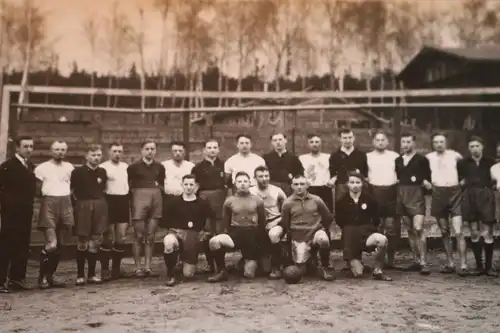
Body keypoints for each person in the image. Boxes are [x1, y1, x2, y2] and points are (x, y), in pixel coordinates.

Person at [206, 171, 266, 282]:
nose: (242, 184)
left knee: (249, 274)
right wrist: (225, 235)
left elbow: (262, 223)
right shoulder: (229, 201)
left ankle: (243, 262)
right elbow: (225, 222)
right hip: (236, 234)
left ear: (250, 183)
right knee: (214, 241)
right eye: (239, 181)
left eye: (245, 181)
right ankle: (221, 271)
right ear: (235, 183)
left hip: (251, 236)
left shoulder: (258, 200)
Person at [336, 171, 392, 281]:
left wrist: (369, 228)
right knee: (358, 274)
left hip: (366, 234)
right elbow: (339, 221)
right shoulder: (341, 201)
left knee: (382, 240)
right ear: (347, 184)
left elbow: (376, 219)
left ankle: (377, 269)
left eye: (358, 182)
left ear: (362, 184)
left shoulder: (370, 200)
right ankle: (356, 262)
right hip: (350, 237)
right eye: (352, 182)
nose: (355, 185)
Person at [34, 140, 75, 289]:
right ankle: (42, 277)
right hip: (49, 204)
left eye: (63, 150)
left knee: (61, 245)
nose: (60, 152)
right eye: (57, 149)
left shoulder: (69, 167)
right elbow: (38, 191)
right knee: (52, 244)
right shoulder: (42, 168)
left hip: (65, 204)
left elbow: (72, 188)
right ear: (51, 151)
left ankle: (51, 276)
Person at [162, 174, 215, 286]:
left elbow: (209, 219)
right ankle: (170, 274)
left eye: (191, 184)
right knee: (168, 242)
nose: (189, 187)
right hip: (177, 233)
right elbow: (166, 220)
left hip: (193, 238)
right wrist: (173, 231)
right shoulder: (174, 202)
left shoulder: (202, 203)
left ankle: (183, 262)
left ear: (196, 186)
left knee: (188, 274)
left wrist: (204, 233)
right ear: (182, 185)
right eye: (186, 184)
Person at [279, 174, 334, 281]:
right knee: (301, 270)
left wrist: (322, 229)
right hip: (299, 237)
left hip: (315, 233)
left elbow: (328, 217)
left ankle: (324, 266)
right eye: (296, 184)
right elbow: (285, 223)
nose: (299, 187)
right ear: (292, 186)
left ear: (307, 185)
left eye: (302, 184)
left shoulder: (316, 200)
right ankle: (311, 260)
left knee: (324, 240)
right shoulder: (287, 203)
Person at [426, 133, 467, 276]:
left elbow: (466, 170)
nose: (439, 144)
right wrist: (426, 182)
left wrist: (463, 181)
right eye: (436, 142)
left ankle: (463, 264)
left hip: (455, 193)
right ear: (432, 144)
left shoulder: (455, 155)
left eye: (441, 141)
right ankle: (450, 262)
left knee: (458, 230)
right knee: (444, 230)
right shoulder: (429, 158)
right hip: (438, 193)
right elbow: (423, 174)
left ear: (446, 142)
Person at [0, 136, 37, 293]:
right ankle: (1, 281)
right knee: (6, 246)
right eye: (25, 146)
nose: (28, 149)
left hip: (25, 212)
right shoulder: (7, 166)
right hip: (10, 213)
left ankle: (17, 278)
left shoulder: (30, 166)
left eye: (31, 146)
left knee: (22, 244)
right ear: (17, 148)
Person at [458, 136, 497, 276]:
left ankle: (489, 267)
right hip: (469, 197)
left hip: (486, 196)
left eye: (477, 146)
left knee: (488, 231)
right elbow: (460, 181)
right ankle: (479, 266)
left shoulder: (490, 162)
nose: (475, 149)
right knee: (474, 231)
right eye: (472, 146)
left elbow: (495, 179)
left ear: (482, 147)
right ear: (469, 149)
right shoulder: (463, 163)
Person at [127, 139, 166, 277]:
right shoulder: (133, 167)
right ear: (142, 150)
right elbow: (129, 186)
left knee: (150, 236)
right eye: (147, 149)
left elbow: (161, 185)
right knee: (138, 235)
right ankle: (138, 267)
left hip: (155, 199)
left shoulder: (160, 167)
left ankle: (148, 267)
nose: (150, 151)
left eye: (153, 149)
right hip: (139, 200)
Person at [71, 144, 108, 286]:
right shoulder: (78, 172)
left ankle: (92, 274)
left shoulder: (103, 172)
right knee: (82, 241)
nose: (96, 158)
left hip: (99, 205)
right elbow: (72, 191)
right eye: (93, 155)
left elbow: (103, 189)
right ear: (87, 156)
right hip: (83, 205)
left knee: (96, 241)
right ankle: (80, 275)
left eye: (98, 155)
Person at [395, 133, 431, 275]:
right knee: (409, 230)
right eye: (403, 142)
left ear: (414, 143)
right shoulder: (398, 160)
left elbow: (428, 180)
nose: (405, 144)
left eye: (408, 142)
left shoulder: (422, 159)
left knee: (418, 228)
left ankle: (424, 261)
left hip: (416, 195)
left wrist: (424, 184)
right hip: (402, 194)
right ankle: (416, 260)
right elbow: (398, 177)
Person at [191, 138, 227, 273]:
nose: (212, 150)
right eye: (209, 147)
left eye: (214, 147)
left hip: (220, 200)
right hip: (204, 200)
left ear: (218, 150)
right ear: (204, 150)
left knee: (219, 232)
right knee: (207, 232)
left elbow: (227, 184)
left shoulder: (224, 165)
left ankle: (220, 264)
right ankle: (210, 263)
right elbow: (195, 187)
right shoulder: (198, 168)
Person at [366, 130, 400, 268]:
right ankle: (378, 259)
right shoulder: (367, 157)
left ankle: (391, 259)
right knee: (377, 226)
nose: (380, 142)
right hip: (374, 192)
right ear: (373, 142)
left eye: (383, 140)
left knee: (391, 227)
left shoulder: (395, 156)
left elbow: (399, 174)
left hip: (391, 192)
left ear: (387, 142)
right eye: (377, 140)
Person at [249, 166, 287, 279]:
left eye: (266, 176)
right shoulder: (250, 191)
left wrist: (277, 222)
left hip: (275, 221)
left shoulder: (277, 190)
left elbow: (287, 209)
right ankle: (254, 261)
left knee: (273, 234)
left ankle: (277, 266)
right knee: (263, 270)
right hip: (258, 224)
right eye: (261, 176)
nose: (264, 179)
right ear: (254, 178)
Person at [100, 143, 130, 281]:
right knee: (108, 237)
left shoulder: (125, 167)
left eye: (119, 151)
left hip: (123, 201)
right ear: (108, 152)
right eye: (114, 151)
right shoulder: (103, 167)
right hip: (109, 201)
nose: (117, 154)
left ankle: (116, 269)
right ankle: (105, 269)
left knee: (121, 237)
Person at [328, 128, 368, 205]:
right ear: (340, 139)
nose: (348, 140)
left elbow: (365, 173)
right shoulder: (335, 156)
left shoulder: (361, 155)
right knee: (342, 208)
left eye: (350, 137)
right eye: (345, 138)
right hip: (342, 186)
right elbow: (332, 173)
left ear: (354, 138)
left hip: (357, 186)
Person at [299, 134, 333, 213]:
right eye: (312, 142)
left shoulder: (327, 157)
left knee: (326, 212)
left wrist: (332, 180)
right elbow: (299, 173)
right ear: (308, 144)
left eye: (317, 142)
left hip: (324, 188)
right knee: (309, 212)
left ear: (320, 143)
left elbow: (335, 171)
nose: (314, 144)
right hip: (309, 188)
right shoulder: (302, 158)